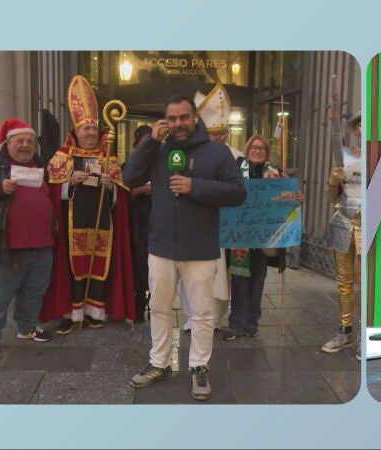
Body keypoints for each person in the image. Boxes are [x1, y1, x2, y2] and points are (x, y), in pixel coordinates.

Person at [124, 95, 246, 401]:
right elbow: (129, 177)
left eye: (184, 117)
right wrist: (150, 141)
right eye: (172, 118)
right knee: (160, 308)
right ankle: (159, 363)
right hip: (161, 246)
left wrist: (197, 187)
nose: (178, 123)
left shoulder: (218, 153)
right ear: (165, 120)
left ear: (195, 118)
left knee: (203, 313)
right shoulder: (158, 150)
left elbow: (237, 193)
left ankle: (199, 366)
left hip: (200, 248)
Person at [42, 75, 135, 333]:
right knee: (70, 270)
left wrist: (111, 187)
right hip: (72, 225)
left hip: (102, 224)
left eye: (94, 129)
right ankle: (69, 314)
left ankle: (95, 312)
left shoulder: (108, 157)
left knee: (99, 266)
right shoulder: (63, 156)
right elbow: (50, 190)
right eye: (86, 129)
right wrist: (69, 182)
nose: (92, 133)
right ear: (76, 132)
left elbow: (122, 196)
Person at [0, 119, 56, 360]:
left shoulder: (40, 164)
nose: (25, 145)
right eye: (20, 141)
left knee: (34, 291)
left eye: (30, 141)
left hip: (41, 244)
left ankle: (27, 327)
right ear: (7, 143)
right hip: (3, 246)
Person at [223, 135, 303, 341]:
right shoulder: (235, 169)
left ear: (266, 152)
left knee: (258, 281)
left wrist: (295, 197)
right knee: (239, 280)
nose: (257, 151)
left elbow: (286, 198)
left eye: (262, 148)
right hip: (240, 236)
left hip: (264, 237)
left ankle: (252, 323)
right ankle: (236, 323)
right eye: (254, 147)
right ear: (247, 149)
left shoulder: (275, 173)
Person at [180, 84, 234, 333]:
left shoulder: (237, 156)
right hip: (197, 224)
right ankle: (192, 316)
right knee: (192, 272)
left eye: (222, 132)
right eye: (214, 133)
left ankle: (216, 316)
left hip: (226, 226)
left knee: (220, 275)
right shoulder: (191, 155)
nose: (219, 137)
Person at [322, 112, 363, 353]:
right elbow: (330, 197)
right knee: (343, 282)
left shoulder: (379, 157)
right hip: (342, 221)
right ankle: (345, 330)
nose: (362, 128)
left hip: (366, 225)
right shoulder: (344, 156)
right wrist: (333, 181)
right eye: (359, 124)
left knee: (364, 282)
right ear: (354, 129)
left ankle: (362, 334)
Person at [128, 125, 153, 323]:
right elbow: (125, 190)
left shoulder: (160, 164)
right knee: (138, 265)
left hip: (156, 220)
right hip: (135, 221)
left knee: (156, 266)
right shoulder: (127, 164)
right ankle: (137, 307)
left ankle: (154, 305)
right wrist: (141, 189)